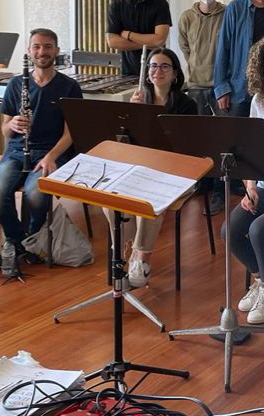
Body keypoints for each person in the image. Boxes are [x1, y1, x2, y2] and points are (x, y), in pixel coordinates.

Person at [0, 28, 83, 268]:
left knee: (36, 195)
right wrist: (12, 124)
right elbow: (5, 131)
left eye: (48, 47)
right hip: (17, 152)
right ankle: (17, 241)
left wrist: (51, 157)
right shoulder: (16, 84)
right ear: (29, 50)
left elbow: (71, 133)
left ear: (56, 51)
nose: (42, 52)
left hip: (53, 153)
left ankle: (33, 238)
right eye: (37, 47)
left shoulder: (69, 86)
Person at [104, 47, 197, 288]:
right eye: (153, 66)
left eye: (165, 66)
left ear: (175, 74)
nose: (158, 71)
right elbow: (125, 143)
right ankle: (120, 250)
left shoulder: (186, 105)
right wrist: (132, 114)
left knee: (150, 199)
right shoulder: (138, 100)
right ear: (147, 73)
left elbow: (186, 148)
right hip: (141, 167)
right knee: (109, 195)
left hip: (176, 171)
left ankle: (141, 255)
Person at [224, 37, 264, 324]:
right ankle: (262, 281)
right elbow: (250, 149)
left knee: (259, 230)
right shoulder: (258, 100)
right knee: (231, 230)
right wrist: (250, 186)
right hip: (262, 184)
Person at [212, 0, 264, 214]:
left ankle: (255, 191)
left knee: (257, 142)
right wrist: (221, 87)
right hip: (238, 87)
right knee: (231, 143)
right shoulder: (235, 8)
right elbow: (223, 47)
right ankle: (219, 192)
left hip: (263, 86)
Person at [179, 0, 226, 216]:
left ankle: (219, 191)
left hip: (219, 88)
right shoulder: (187, 17)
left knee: (220, 141)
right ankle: (202, 184)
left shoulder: (227, 14)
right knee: (198, 141)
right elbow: (185, 47)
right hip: (196, 86)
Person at [106, 0, 172, 76]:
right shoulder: (116, 4)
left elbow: (159, 40)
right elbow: (112, 42)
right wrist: (147, 45)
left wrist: (129, 35)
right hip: (128, 70)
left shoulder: (161, 3)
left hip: (157, 71)